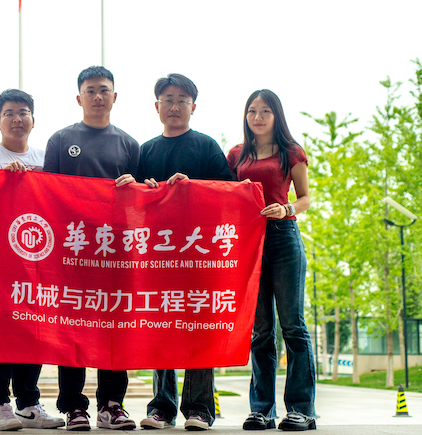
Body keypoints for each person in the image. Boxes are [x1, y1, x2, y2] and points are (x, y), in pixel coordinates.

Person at [135, 74, 233, 432]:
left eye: (181, 100)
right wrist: (143, 189)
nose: (174, 106)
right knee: (161, 329)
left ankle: (200, 408)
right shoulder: (145, 151)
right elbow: (130, 203)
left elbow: (230, 191)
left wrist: (195, 187)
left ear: (193, 106)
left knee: (198, 330)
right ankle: (162, 407)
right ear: (156, 106)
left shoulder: (206, 146)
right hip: (158, 256)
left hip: (199, 255)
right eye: (168, 99)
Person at [43, 65, 139, 431]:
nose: (97, 96)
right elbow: (46, 193)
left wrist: (136, 186)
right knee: (73, 328)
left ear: (114, 96)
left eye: (103, 90)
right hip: (73, 250)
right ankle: (74, 407)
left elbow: (141, 203)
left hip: (115, 251)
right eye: (90, 90)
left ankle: (112, 405)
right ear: (78, 97)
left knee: (114, 328)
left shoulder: (129, 144)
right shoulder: (60, 139)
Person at [0, 89, 64, 431]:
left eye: (23, 112)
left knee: (32, 330)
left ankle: (28, 403)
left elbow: (61, 200)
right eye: (9, 113)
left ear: (33, 120)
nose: (16, 119)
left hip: (38, 260)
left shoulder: (46, 158)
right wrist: (2, 183)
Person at [226, 89, 315, 431]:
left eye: (265, 111)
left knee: (293, 326)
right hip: (249, 242)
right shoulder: (236, 155)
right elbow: (221, 191)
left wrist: (285, 208)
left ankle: (302, 410)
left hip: (283, 237)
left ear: (276, 115)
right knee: (261, 331)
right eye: (252, 110)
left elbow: (305, 198)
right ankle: (262, 410)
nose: (258, 117)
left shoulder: (291, 152)